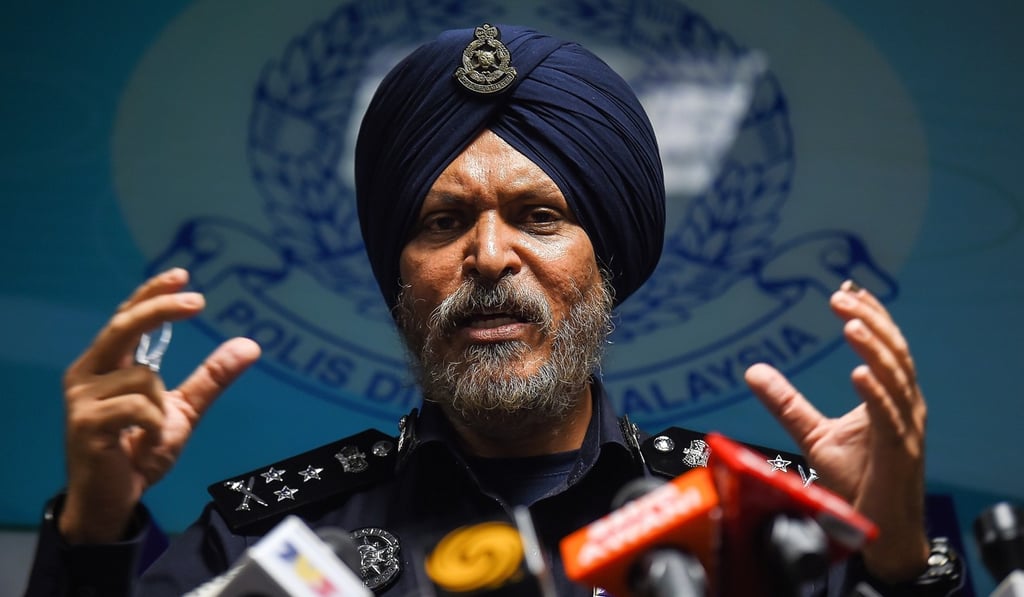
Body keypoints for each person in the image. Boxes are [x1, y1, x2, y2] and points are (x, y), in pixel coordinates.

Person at [25, 24, 961, 596]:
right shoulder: (276, 540)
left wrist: (895, 555)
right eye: (442, 220)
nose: (487, 255)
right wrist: (97, 526)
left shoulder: (765, 526)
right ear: (400, 273)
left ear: (609, 261)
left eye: (538, 215)